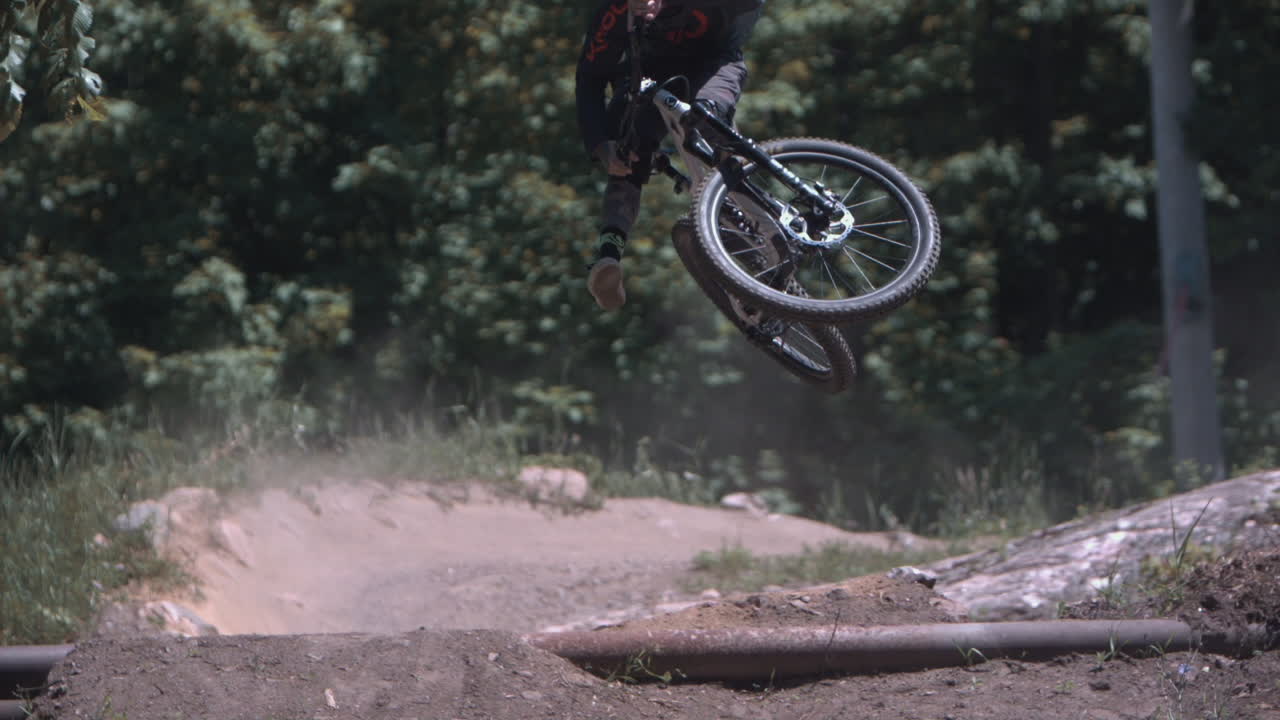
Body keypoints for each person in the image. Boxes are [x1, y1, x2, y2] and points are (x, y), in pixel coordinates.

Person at [575, 0, 764, 310]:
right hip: (646, 79)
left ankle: (754, 203)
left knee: (709, 120)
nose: (643, 6)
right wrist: (599, 144)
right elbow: (590, 79)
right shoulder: (614, 14)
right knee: (625, 153)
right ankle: (608, 258)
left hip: (713, 63)